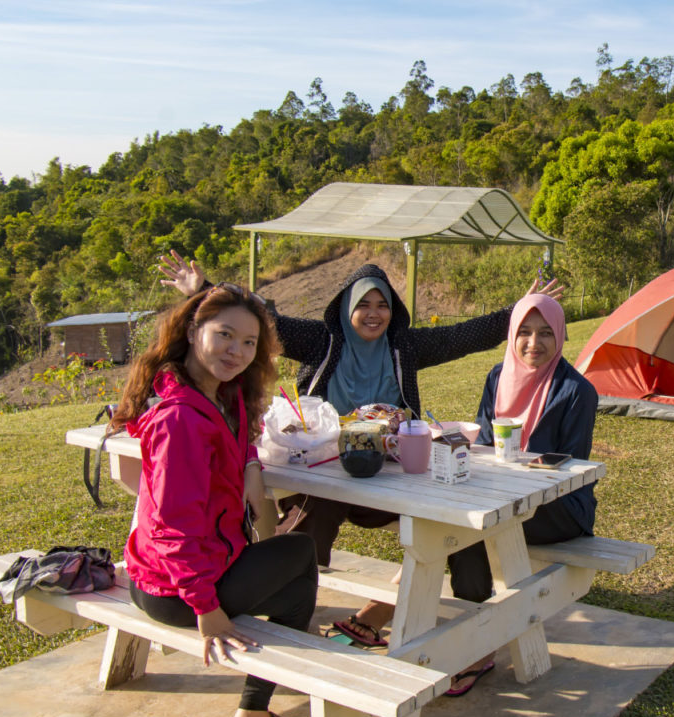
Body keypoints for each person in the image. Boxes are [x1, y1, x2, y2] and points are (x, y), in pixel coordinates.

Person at [158, 251, 564, 649]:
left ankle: (462, 623)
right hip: (324, 475)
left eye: (382, 305)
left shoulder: (403, 346)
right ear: (346, 309)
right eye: (363, 305)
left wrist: (519, 311)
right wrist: (203, 290)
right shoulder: (322, 341)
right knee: (306, 529)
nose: (373, 314)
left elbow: (465, 335)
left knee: (443, 520)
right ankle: (286, 614)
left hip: (392, 477)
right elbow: (262, 324)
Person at [112, 282, 320, 717]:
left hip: (170, 574)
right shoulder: (180, 418)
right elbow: (172, 527)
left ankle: (260, 701)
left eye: (249, 342)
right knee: (301, 558)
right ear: (192, 329)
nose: (237, 351)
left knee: (295, 569)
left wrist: (249, 462)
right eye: (225, 335)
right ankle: (253, 713)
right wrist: (206, 609)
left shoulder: (218, 394)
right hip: (175, 591)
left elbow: (237, 438)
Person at [432, 293, 599, 695]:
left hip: (560, 506)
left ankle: (476, 643)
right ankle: (476, 628)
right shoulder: (497, 376)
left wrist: (520, 472)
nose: (533, 343)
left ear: (560, 336)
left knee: (479, 521)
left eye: (545, 333)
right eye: (523, 332)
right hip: (502, 495)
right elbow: (485, 442)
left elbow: (573, 467)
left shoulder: (577, 391)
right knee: (463, 521)